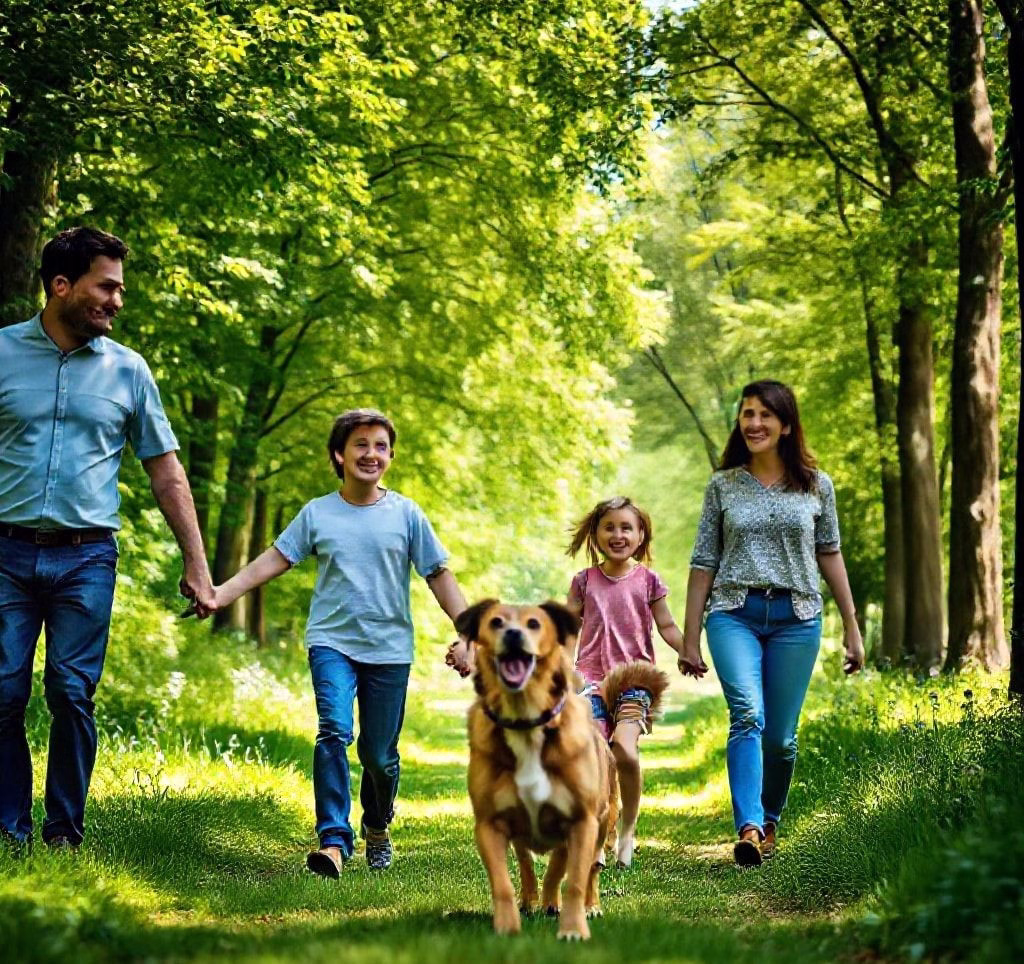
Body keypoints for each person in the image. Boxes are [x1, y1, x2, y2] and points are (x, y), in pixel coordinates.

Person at [0, 226, 214, 852]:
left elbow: (166, 470)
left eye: (121, 289)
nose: (119, 300)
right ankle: (8, 831)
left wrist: (197, 566)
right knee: (3, 691)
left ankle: (64, 832)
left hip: (86, 556)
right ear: (62, 286)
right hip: (5, 553)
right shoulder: (3, 353)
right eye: (108, 287)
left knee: (70, 690)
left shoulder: (129, 370)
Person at [207, 408, 467, 878]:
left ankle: (378, 823)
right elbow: (273, 560)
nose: (372, 454)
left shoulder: (406, 514)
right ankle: (332, 841)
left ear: (390, 456)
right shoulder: (318, 513)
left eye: (381, 446)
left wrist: (468, 632)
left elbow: (438, 575)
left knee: (379, 756)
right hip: (332, 642)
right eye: (361, 445)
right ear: (339, 455)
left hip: (389, 649)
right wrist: (222, 594)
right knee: (333, 729)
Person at [679, 379, 864, 867]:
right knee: (747, 715)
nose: (754, 423)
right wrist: (690, 636)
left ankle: (770, 821)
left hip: (797, 618)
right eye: (747, 414)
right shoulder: (722, 485)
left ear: (785, 425)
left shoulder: (816, 484)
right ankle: (749, 826)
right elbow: (703, 562)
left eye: (765, 415)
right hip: (733, 613)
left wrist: (852, 626)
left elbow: (830, 554)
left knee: (780, 738)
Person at [566, 496, 687, 868]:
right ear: (596, 534)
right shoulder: (584, 581)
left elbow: (665, 625)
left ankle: (628, 832)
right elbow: (568, 631)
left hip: (635, 679)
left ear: (640, 536)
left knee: (624, 748)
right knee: (595, 758)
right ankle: (600, 834)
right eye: (609, 527)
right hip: (591, 681)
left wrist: (689, 651)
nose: (618, 535)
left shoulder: (648, 580)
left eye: (626, 528)